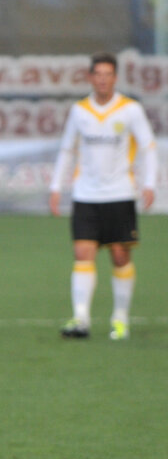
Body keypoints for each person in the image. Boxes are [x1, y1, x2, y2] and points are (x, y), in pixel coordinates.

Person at [49, 52, 156, 341]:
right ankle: (81, 318)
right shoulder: (79, 111)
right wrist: (56, 187)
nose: (103, 79)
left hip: (120, 194)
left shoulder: (130, 110)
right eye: (98, 74)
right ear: (90, 77)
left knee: (120, 256)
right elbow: (67, 149)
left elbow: (148, 146)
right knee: (82, 253)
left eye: (108, 74)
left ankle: (120, 318)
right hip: (86, 195)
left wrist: (149, 182)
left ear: (115, 78)